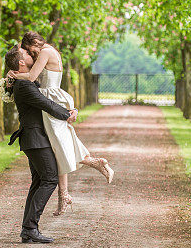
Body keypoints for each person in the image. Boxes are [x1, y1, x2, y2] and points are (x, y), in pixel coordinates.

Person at [7, 31, 114, 215]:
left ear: (34, 44)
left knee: (59, 145)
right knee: (58, 145)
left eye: (28, 50)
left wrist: (14, 76)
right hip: (50, 97)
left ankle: (90, 168)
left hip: (51, 98)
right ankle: (65, 195)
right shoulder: (47, 52)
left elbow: (32, 78)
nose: (29, 53)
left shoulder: (45, 52)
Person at [4, 45, 78, 244]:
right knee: (50, 179)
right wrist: (67, 114)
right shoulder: (25, 85)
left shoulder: (25, 81)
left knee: (39, 181)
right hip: (35, 139)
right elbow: (46, 104)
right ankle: (30, 228)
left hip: (34, 138)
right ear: (21, 62)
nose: (31, 55)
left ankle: (28, 229)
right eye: (27, 54)